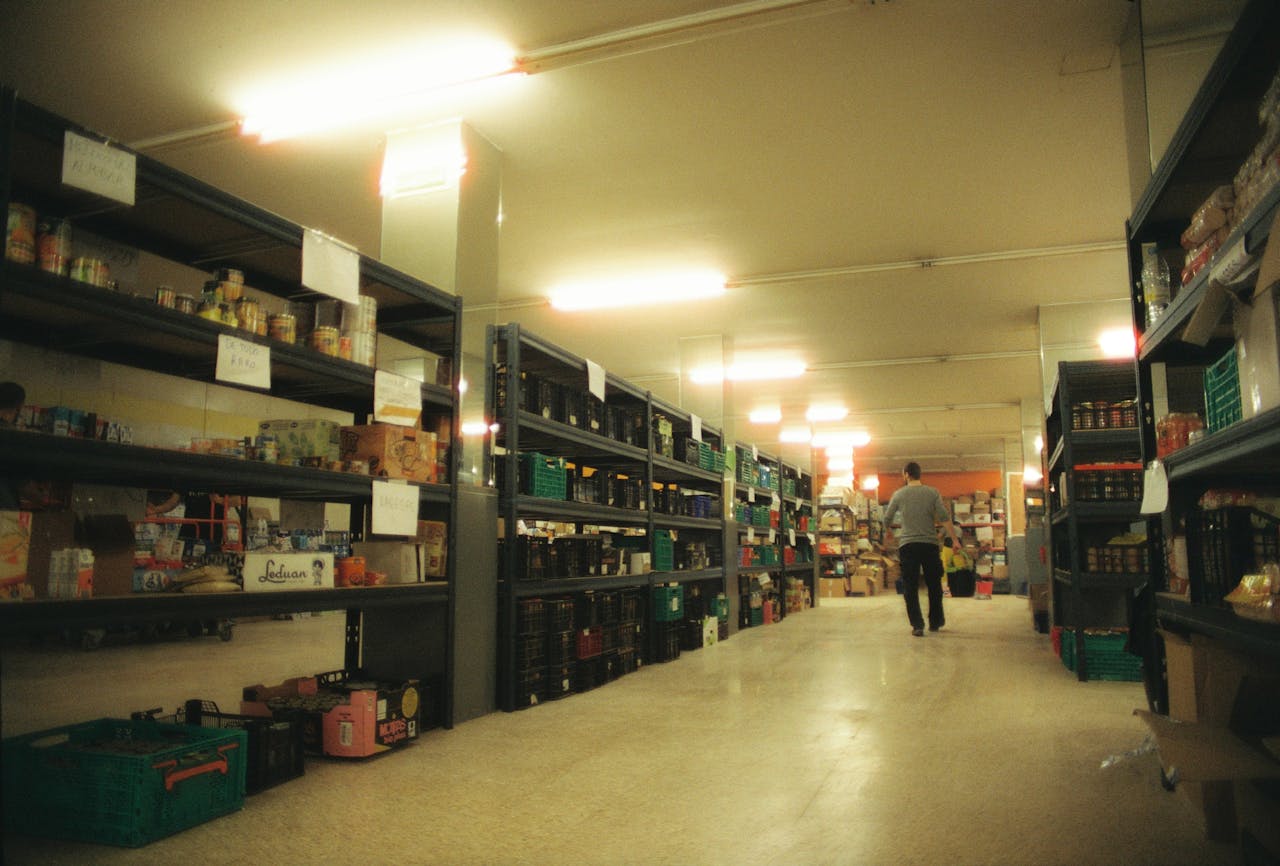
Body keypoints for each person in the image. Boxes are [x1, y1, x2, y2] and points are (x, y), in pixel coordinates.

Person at [882, 461, 963, 636]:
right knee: (934, 584)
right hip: (930, 544)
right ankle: (935, 622)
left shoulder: (899, 494)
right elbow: (944, 517)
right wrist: (955, 540)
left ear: (906, 474)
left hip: (908, 545)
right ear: (920, 474)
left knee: (910, 586)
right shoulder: (932, 492)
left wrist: (888, 532)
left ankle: (917, 625)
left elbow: (887, 518)